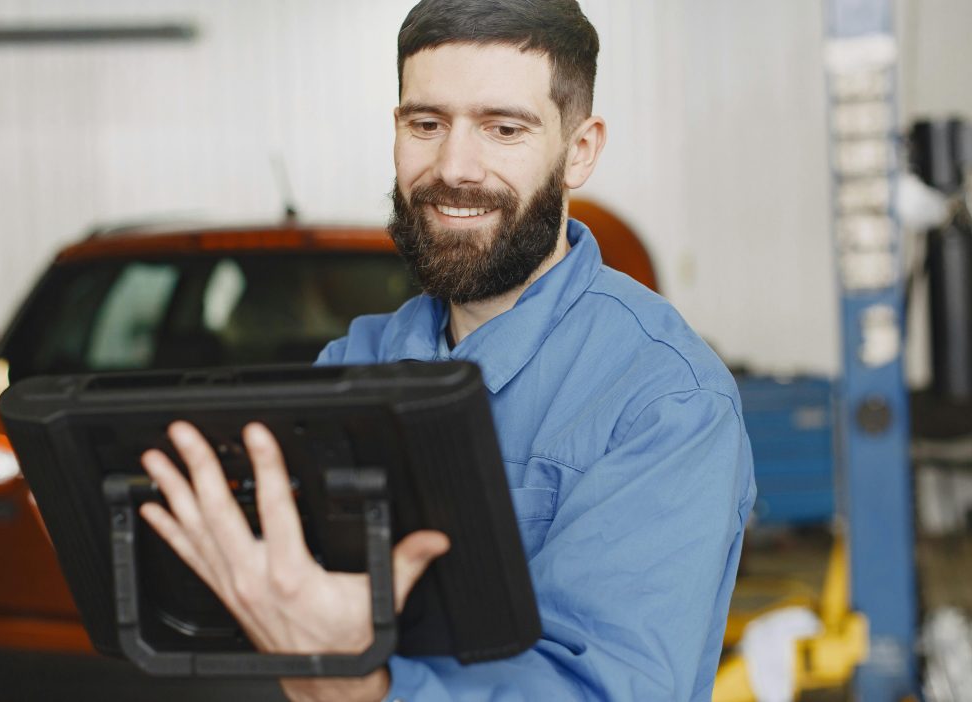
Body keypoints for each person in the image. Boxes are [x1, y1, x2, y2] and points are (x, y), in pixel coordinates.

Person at [137, 1, 755, 699]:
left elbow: (604, 689)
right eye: (426, 124)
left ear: (579, 149)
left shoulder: (663, 399)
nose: (455, 166)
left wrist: (362, 685)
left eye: (503, 128)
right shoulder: (352, 365)